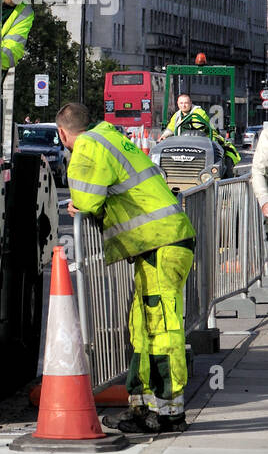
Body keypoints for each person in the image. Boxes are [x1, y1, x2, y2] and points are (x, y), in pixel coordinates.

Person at [57, 102, 196, 434]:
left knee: (161, 329)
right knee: (143, 326)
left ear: (63, 133)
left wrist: (78, 204)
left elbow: (86, 200)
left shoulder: (88, 145)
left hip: (161, 244)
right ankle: (144, 408)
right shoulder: (110, 136)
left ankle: (169, 412)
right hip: (158, 243)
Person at [159, 94, 240, 164]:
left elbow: (198, 129)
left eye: (186, 103)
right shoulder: (177, 115)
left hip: (204, 140)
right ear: (177, 104)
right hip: (183, 142)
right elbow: (171, 128)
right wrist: (164, 135)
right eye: (181, 103)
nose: (183, 105)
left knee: (218, 152)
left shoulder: (199, 112)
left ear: (190, 103)